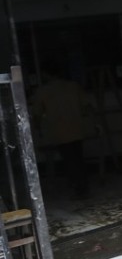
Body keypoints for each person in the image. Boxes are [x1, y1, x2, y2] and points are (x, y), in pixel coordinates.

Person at [31, 63, 97, 199]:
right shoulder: (73, 86)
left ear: (46, 74)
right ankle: (82, 186)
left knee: (69, 160)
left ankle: (79, 188)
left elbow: (37, 113)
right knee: (78, 158)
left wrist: (38, 128)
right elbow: (87, 106)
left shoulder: (43, 91)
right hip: (77, 128)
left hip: (59, 130)